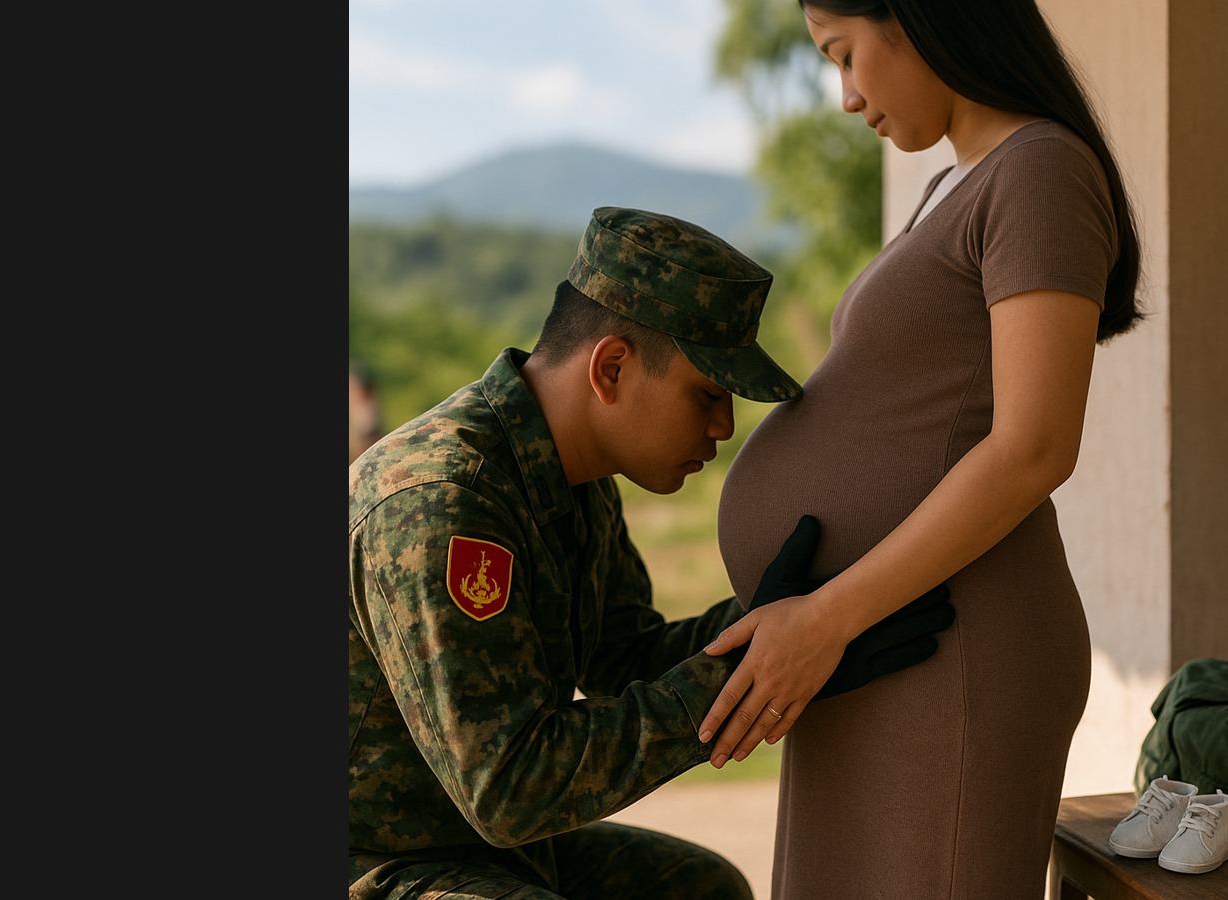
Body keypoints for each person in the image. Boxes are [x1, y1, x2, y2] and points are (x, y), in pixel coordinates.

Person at [348, 206, 955, 900]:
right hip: (376, 860)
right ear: (610, 368)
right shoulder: (443, 499)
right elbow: (510, 788)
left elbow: (624, 659)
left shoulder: (572, 481)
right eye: (707, 393)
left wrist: (790, 619)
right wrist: (753, 676)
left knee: (699, 888)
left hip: (472, 846)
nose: (725, 426)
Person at [697, 2, 1147, 897]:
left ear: (923, 18)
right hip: (883, 645)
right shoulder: (961, 182)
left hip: (953, 651)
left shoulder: (1041, 171)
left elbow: (1034, 447)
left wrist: (824, 620)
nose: (845, 96)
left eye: (846, 54)